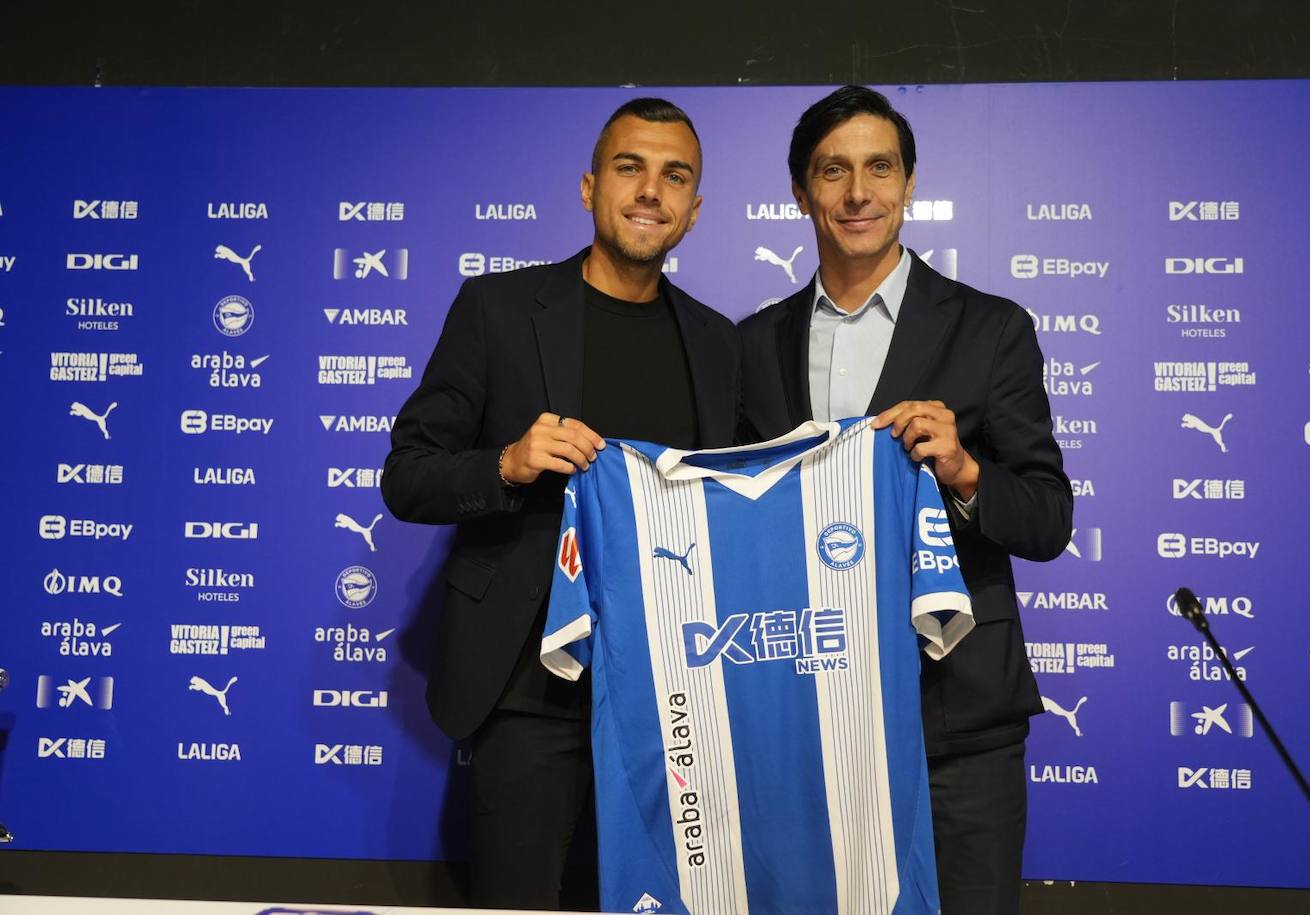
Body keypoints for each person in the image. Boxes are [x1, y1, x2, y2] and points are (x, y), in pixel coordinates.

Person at [382, 97, 740, 910]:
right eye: (630, 168)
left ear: (694, 207)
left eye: (674, 175)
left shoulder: (721, 343)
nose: (651, 189)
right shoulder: (497, 310)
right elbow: (407, 475)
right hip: (531, 688)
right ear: (588, 187)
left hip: (673, 697)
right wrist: (507, 463)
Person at [737, 85, 1072, 915]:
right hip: (799, 722)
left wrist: (964, 470)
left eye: (879, 167)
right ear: (800, 192)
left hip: (956, 725)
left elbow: (1047, 517)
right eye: (833, 171)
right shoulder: (746, 345)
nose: (858, 193)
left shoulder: (992, 329)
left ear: (910, 183)